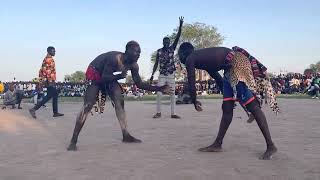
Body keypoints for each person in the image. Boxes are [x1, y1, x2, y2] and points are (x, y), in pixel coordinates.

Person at [178, 42, 277, 160]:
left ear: (184, 53)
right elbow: (218, 79)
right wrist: (227, 98)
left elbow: (191, 83)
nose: (179, 58)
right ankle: (217, 144)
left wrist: (194, 101)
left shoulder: (191, 58)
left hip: (236, 63)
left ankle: (271, 145)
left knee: (253, 106)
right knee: (227, 108)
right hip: (230, 68)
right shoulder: (203, 60)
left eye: (179, 55)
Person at [67, 41, 171, 151]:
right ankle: (73, 141)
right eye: (136, 52)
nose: (139, 55)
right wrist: (120, 76)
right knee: (88, 105)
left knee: (119, 100)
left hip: (109, 76)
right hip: (95, 74)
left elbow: (139, 84)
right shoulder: (114, 58)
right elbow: (104, 77)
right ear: (128, 51)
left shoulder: (134, 65)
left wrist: (159, 88)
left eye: (139, 52)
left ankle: (125, 134)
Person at [149, 17, 184, 119]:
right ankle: (158, 112)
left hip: (171, 75)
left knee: (172, 94)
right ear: (163, 42)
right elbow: (156, 63)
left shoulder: (172, 49)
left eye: (168, 42)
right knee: (159, 94)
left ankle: (173, 113)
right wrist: (152, 75)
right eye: (165, 42)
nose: (167, 43)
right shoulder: (159, 51)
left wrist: (180, 26)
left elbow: (178, 37)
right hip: (162, 75)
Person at [29, 46, 64, 118]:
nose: (54, 52)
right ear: (49, 51)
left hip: (49, 80)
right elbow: (47, 71)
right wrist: (50, 81)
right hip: (49, 80)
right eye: (53, 51)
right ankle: (34, 109)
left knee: (54, 94)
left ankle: (55, 112)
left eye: (55, 51)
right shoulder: (49, 59)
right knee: (49, 96)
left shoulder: (47, 59)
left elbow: (42, 70)